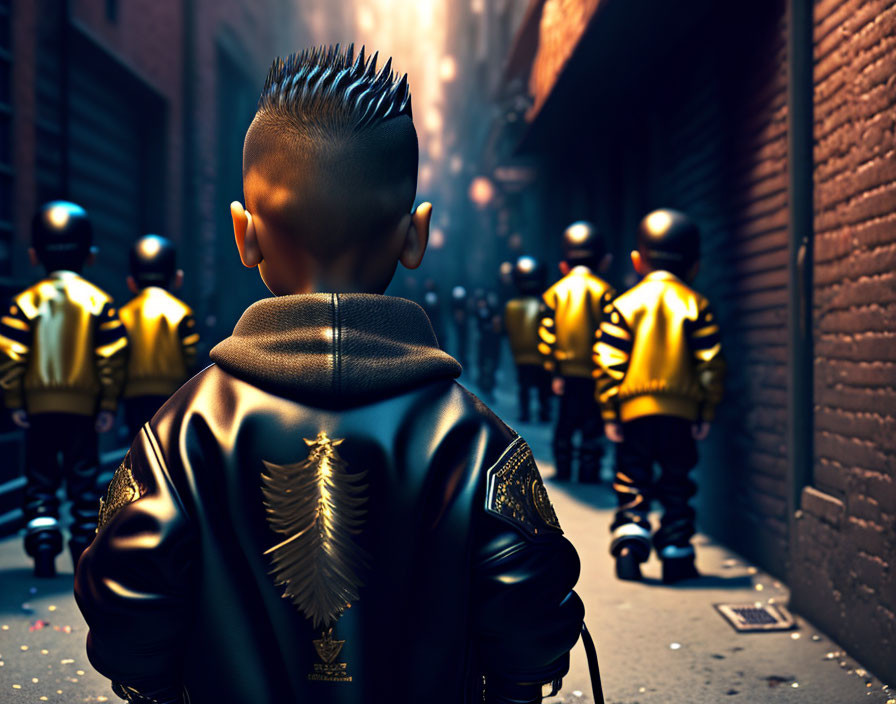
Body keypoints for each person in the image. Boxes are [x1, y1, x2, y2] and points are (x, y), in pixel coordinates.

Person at [75, 45, 583, 704]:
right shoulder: (473, 437)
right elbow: (532, 611)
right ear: (415, 234)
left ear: (245, 234)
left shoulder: (182, 431)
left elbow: (125, 596)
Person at [594, 208, 725, 583]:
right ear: (695, 266)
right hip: (681, 416)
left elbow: (607, 362)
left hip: (633, 414)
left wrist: (610, 411)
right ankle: (676, 554)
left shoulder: (623, 306)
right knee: (676, 482)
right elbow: (710, 365)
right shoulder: (697, 306)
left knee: (631, 480)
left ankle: (630, 548)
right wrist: (705, 411)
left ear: (637, 261)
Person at [0, 201, 128, 577]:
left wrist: (14, 399)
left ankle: (42, 548)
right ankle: (82, 552)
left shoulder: (23, 303)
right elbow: (112, 357)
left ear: (34, 254)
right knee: (83, 480)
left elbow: (10, 355)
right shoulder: (99, 302)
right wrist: (107, 403)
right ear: (90, 256)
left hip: (38, 409)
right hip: (84, 410)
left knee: (40, 479)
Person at [538, 222, 614, 483]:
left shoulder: (554, 293)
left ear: (564, 263)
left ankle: (563, 468)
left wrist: (554, 370)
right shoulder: (606, 293)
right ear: (603, 261)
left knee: (565, 424)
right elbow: (611, 335)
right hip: (595, 374)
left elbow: (547, 336)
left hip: (565, 373)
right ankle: (588, 471)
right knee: (592, 425)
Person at [119, 234, 199, 435]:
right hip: (173, 395)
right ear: (177, 278)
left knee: (137, 445)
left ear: (131, 282)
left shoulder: (123, 315)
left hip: (133, 396)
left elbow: (118, 357)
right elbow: (190, 357)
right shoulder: (181, 312)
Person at [504, 256, 551, 423]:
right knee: (542, 386)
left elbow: (507, 330)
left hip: (521, 355)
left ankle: (526, 413)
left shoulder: (511, 306)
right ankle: (543, 412)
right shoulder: (542, 304)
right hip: (539, 354)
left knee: (525, 386)